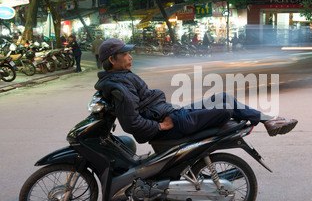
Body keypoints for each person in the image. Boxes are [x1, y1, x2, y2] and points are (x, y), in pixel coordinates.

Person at [94, 38, 297, 144]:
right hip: (172, 122)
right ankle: (268, 121)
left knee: (223, 97)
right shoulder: (119, 85)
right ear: (112, 60)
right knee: (225, 110)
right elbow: (131, 123)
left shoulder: (121, 77)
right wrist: (160, 127)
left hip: (172, 113)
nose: (130, 57)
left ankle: (268, 120)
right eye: (126, 54)